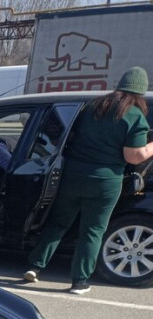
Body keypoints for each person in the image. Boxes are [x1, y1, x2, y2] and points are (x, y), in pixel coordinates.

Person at [23, 67, 153, 294]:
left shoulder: (94, 106)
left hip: (73, 175)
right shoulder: (134, 116)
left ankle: (35, 266)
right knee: (92, 230)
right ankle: (79, 281)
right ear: (141, 92)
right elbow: (134, 156)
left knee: (58, 222)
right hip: (105, 181)